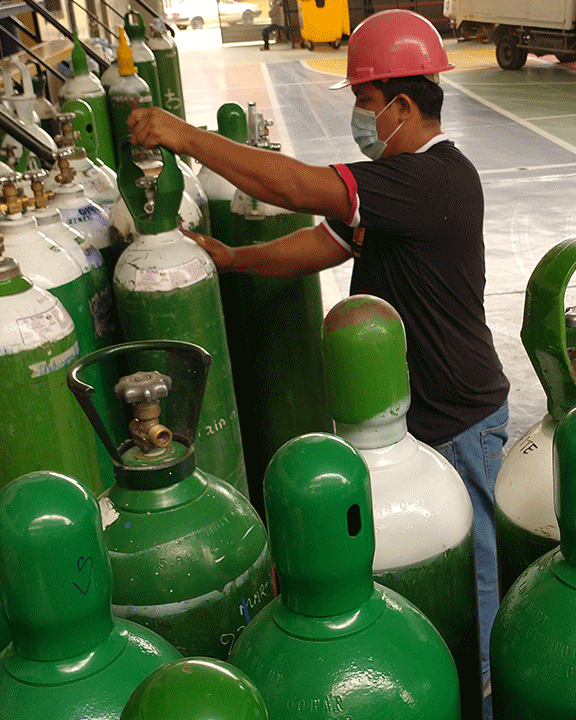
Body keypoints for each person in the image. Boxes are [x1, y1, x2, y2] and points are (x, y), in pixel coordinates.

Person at [128, 8, 508, 709]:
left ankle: (482, 700)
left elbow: (299, 190)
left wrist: (186, 137)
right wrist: (235, 258)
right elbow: (326, 242)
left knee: (473, 586)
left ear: (401, 105)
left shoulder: (431, 179)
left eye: (365, 100)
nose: (359, 117)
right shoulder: (395, 188)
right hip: (409, 419)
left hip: (459, 418)